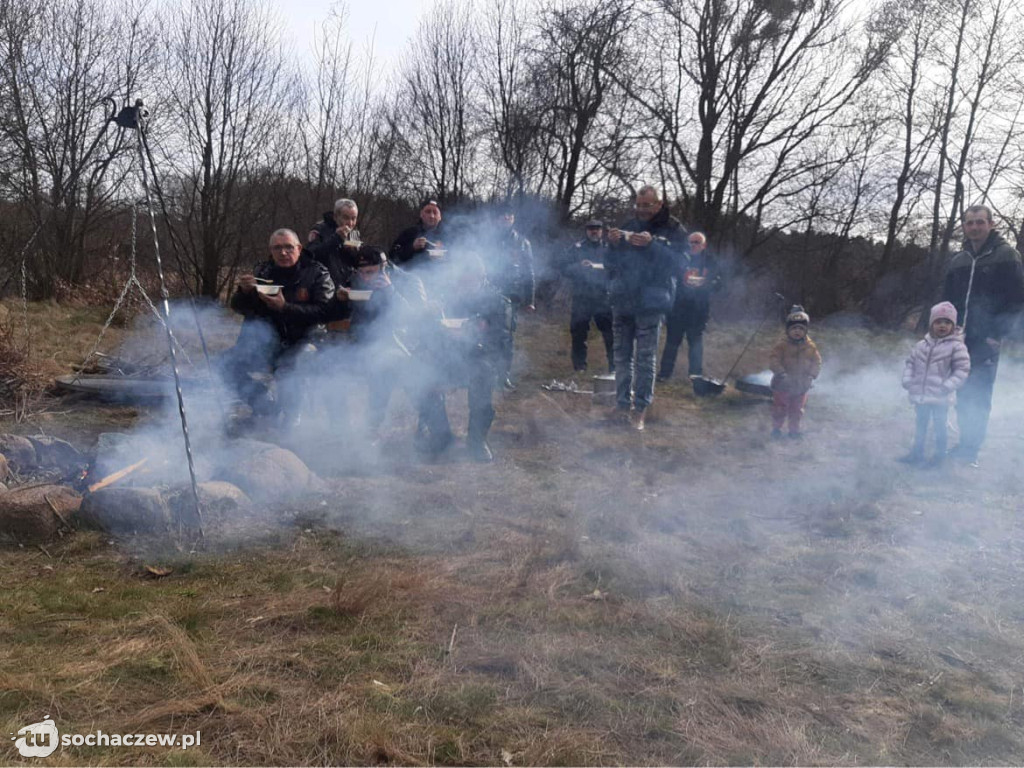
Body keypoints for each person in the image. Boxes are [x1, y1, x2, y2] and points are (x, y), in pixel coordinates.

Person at [222, 229, 335, 427]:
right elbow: (242, 308)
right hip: (271, 341)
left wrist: (285, 307)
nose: (283, 252)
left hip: (307, 341)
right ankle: (265, 407)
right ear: (271, 251)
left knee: (290, 367)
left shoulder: (317, 273)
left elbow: (325, 312)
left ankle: (291, 420)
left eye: (288, 247)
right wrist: (245, 292)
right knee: (225, 364)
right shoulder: (264, 272)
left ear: (299, 248)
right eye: (277, 248)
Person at [942, 204, 1024, 466]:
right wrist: (941, 329)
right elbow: (947, 300)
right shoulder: (959, 260)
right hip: (957, 337)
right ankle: (959, 441)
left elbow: (1016, 299)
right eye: (969, 223)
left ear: (991, 224)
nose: (974, 227)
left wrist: (999, 334)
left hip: (986, 339)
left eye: (980, 222)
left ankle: (969, 450)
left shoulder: (1007, 255)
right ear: (964, 227)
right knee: (959, 390)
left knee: (977, 393)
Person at [417, 255, 513, 462]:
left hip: (480, 358)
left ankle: (477, 441)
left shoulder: (496, 301)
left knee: (482, 375)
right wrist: (431, 317)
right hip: (449, 357)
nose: (465, 284)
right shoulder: (447, 299)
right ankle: (441, 437)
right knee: (422, 376)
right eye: (462, 279)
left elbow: (502, 338)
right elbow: (429, 333)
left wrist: (479, 335)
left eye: (471, 280)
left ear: (481, 277)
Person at [605, 185, 685, 430]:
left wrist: (653, 246)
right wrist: (613, 245)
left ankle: (639, 410)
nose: (641, 210)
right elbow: (610, 263)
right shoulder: (629, 224)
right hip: (623, 299)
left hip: (652, 302)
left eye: (646, 205)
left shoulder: (674, 229)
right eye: (638, 205)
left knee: (644, 358)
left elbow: (681, 265)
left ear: (659, 204)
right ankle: (621, 405)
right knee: (620, 355)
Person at [335, 245, 432, 434]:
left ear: (384, 267)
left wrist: (391, 291)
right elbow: (343, 317)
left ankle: (425, 420)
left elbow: (417, 318)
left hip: (406, 345)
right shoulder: (356, 281)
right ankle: (342, 428)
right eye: (360, 272)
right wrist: (339, 300)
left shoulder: (409, 281)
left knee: (387, 364)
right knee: (328, 364)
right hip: (364, 344)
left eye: (370, 272)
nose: (364, 277)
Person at [899, 301, 970, 466]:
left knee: (940, 428)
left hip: (940, 397)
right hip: (921, 396)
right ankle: (916, 454)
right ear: (932, 324)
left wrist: (947, 386)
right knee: (920, 426)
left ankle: (939, 458)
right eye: (938, 322)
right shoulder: (921, 345)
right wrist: (907, 380)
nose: (942, 326)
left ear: (953, 325)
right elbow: (910, 364)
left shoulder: (957, 347)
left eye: (947, 322)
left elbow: (962, 371)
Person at [659, 231, 719, 381]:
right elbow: (669, 279)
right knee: (672, 342)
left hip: (699, 309)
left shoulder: (711, 261)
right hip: (678, 308)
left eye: (697, 242)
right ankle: (664, 374)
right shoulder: (680, 259)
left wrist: (707, 284)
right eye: (691, 242)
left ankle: (695, 376)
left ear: (704, 245)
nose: (693, 245)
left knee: (695, 343)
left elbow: (719, 284)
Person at [488, 206, 535, 389]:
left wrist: (530, 299)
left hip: (511, 295)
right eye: (502, 216)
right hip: (488, 292)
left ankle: (503, 375)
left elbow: (528, 272)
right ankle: (485, 373)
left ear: (513, 219)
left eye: (509, 216)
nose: (505, 219)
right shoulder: (487, 241)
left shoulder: (522, 243)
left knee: (506, 336)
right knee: (486, 332)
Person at [561, 219, 614, 374]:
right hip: (581, 296)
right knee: (578, 333)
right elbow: (563, 267)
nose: (594, 231)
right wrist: (578, 267)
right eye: (591, 229)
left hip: (603, 297)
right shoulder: (577, 249)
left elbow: (616, 269)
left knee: (610, 333)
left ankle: (614, 366)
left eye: (597, 229)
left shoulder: (608, 249)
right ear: (586, 231)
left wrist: (600, 269)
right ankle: (580, 366)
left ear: (602, 231)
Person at [768, 306, 822, 439]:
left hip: (801, 385)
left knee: (797, 410)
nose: (797, 331)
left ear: (805, 331)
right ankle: (776, 429)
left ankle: (794, 431)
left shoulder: (810, 346)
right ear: (788, 330)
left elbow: (817, 362)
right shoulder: (782, 345)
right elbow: (773, 359)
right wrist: (780, 372)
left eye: (801, 329)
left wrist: (811, 375)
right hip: (783, 384)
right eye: (794, 328)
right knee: (780, 408)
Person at [307, 198, 362, 289]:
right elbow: (311, 255)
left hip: (349, 286)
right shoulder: (320, 229)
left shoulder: (355, 233)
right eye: (346, 218)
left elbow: (358, 263)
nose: (350, 223)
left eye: (353, 218)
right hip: (325, 285)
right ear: (335, 216)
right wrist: (336, 238)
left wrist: (356, 252)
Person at [390, 198, 445, 273]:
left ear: (440, 217)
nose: (431, 216)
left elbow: (459, 261)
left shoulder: (449, 236)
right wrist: (412, 247)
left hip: (443, 280)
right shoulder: (409, 233)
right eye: (428, 212)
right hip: (412, 280)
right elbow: (393, 258)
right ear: (421, 214)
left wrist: (443, 255)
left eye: (435, 213)